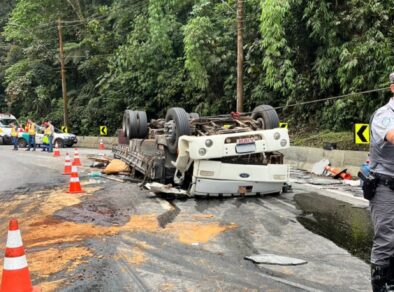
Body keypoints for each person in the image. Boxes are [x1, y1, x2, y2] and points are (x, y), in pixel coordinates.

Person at [369, 72, 394, 291]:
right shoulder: (384, 114)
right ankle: (380, 286)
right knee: (386, 237)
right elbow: (392, 135)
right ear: (392, 88)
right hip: (386, 185)